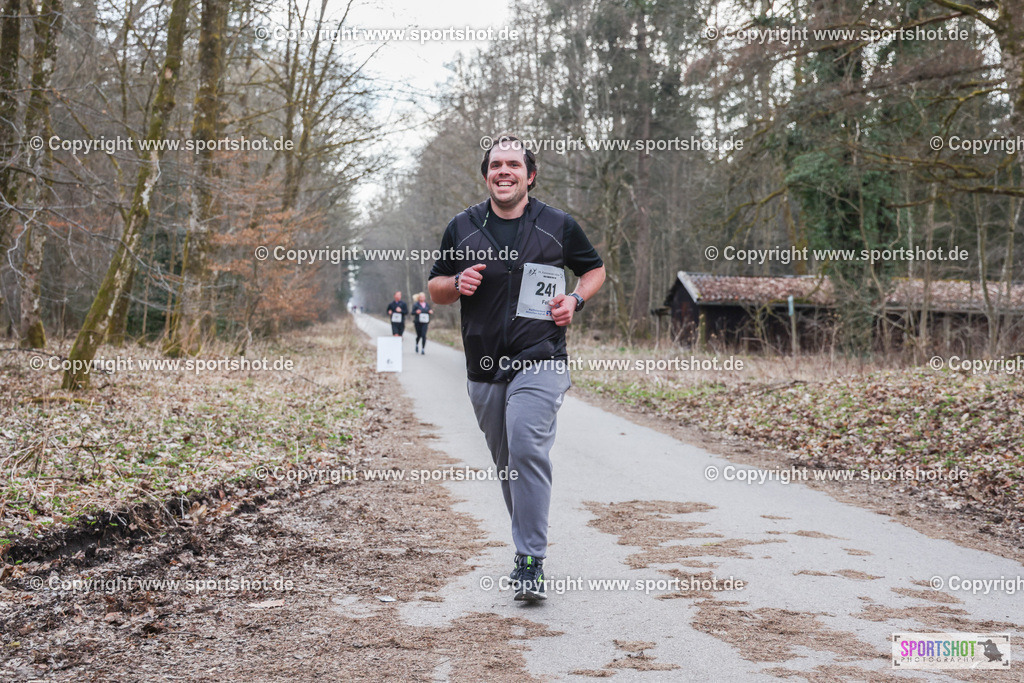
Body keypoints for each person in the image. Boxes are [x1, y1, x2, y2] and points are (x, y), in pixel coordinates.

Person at [428, 133, 605, 602]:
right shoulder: (462, 226)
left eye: (513, 164)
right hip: (484, 364)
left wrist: (574, 299)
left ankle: (530, 560)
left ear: (530, 174)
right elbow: (435, 289)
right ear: (486, 174)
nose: (503, 171)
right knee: (508, 465)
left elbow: (594, 270)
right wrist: (456, 282)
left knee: (526, 447)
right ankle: (527, 545)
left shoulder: (556, 225)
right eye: (495, 165)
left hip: (540, 357)